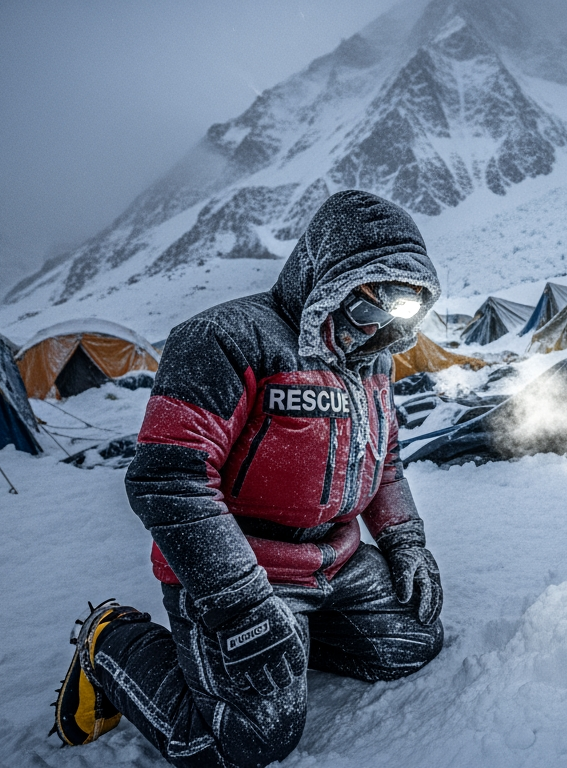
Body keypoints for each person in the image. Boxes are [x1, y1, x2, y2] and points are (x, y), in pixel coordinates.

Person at [52, 190, 446, 767]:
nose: (377, 330)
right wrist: (238, 602)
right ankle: (110, 642)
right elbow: (168, 480)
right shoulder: (224, 340)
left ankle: (290, 639)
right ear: (326, 278)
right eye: (367, 309)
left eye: (398, 315)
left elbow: (385, 463)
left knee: (412, 642)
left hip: (336, 559)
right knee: (242, 742)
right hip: (243, 569)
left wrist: (406, 543)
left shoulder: (373, 364)